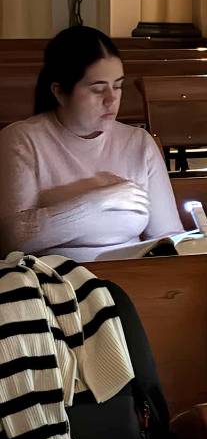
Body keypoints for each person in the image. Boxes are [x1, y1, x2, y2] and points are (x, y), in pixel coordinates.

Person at [0, 26, 183, 262]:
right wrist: (97, 202)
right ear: (60, 92)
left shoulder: (138, 143)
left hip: (135, 279)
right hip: (56, 284)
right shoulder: (23, 141)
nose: (111, 99)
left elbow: (168, 236)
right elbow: (11, 240)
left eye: (117, 86)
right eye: (98, 89)